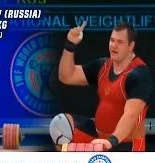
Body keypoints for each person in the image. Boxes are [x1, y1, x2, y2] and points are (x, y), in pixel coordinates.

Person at [49, 22, 153, 152]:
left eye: (120, 42)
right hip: (99, 138)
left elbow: (130, 116)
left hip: (125, 144)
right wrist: (70, 45)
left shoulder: (139, 74)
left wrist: (111, 141)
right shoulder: (103, 66)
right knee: (60, 124)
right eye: (112, 40)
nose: (114, 45)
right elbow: (66, 76)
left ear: (131, 46)